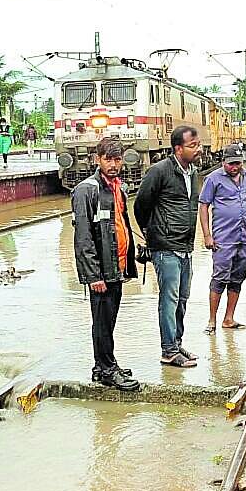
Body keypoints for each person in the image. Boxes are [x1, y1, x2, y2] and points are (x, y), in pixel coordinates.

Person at [72, 139, 140, 392]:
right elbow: (83, 237)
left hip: (117, 267)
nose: (113, 164)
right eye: (108, 159)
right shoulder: (86, 190)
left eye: (117, 159)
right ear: (97, 160)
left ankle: (103, 366)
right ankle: (107, 368)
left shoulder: (118, 189)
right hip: (101, 272)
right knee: (101, 321)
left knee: (109, 321)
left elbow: (121, 226)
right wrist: (93, 276)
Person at [134, 124, 203, 368]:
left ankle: (177, 343)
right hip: (165, 248)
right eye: (192, 145)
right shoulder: (159, 171)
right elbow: (141, 206)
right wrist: (151, 234)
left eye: (198, 144)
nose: (198, 149)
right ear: (177, 148)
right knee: (169, 299)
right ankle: (168, 351)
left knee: (182, 298)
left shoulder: (193, 172)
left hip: (186, 246)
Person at [199, 143, 246, 334]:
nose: (235, 167)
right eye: (231, 164)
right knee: (219, 278)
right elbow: (203, 206)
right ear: (223, 162)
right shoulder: (213, 179)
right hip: (223, 239)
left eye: (238, 163)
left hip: (245, 238)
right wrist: (207, 235)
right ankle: (211, 321)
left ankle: (229, 318)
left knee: (237, 278)